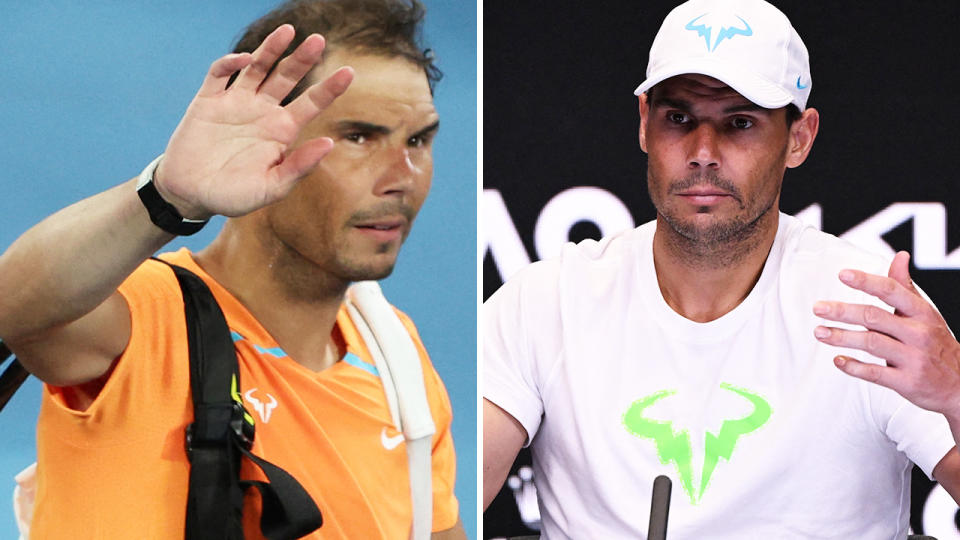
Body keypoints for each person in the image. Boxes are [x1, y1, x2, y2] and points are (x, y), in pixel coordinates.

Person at [483, 0, 960, 537]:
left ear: (798, 138)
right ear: (644, 123)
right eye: (679, 119)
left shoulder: (869, 311)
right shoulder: (550, 301)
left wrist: (956, 395)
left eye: (739, 123)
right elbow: (438, 501)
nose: (703, 152)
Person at [0, 0, 466, 538]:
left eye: (418, 140)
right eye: (359, 137)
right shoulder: (145, 315)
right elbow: (12, 308)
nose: (401, 176)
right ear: (260, 141)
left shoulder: (396, 356)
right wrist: (166, 196)